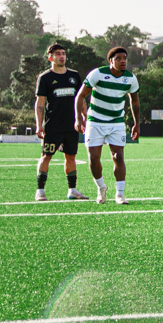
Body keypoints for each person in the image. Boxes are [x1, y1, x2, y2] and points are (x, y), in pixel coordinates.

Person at [75, 46, 140, 205]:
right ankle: (101, 187)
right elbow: (80, 96)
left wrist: (136, 124)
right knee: (93, 158)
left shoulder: (130, 78)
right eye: (118, 59)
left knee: (118, 156)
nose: (123, 61)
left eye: (124, 58)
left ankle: (120, 194)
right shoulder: (97, 74)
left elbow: (135, 101)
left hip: (116, 122)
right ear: (110, 61)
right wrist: (78, 118)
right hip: (95, 121)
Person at [33, 42, 87, 202]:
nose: (62, 56)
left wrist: (85, 117)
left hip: (71, 126)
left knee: (71, 157)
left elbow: (81, 99)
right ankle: (40, 191)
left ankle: (72, 190)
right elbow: (40, 103)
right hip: (53, 126)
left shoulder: (74, 76)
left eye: (63, 53)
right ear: (50, 58)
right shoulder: (45, 78)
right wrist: (39, 125)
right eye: (58, 54)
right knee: (46, 156)